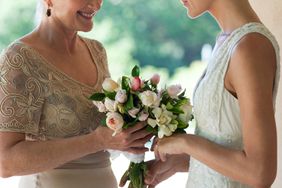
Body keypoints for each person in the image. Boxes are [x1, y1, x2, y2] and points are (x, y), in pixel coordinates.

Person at [0, 0, 151, 188]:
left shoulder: (97, 51)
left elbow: (107, 132)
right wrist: (96, 141)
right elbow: (5, 162)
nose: (96, 5)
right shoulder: (20, 58)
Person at [145, 0, 280, 187]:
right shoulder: (227, 41)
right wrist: (178, 162)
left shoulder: (249, 46)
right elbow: (229, 144)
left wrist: (185, 142)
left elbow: (260, 172)